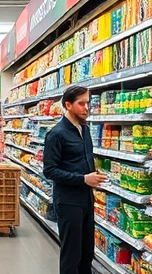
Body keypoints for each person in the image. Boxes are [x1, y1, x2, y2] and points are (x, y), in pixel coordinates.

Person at [43, 86, 106, 274]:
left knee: (87, 252)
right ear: (68, 105)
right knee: (72, 255)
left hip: (86, 200)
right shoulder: (56, 134)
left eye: (88, 103)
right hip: (68, 202)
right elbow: (50, 170)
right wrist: (83, 179)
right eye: (81, 103)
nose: (86, 108)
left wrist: (94, 175)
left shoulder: (85, 130)